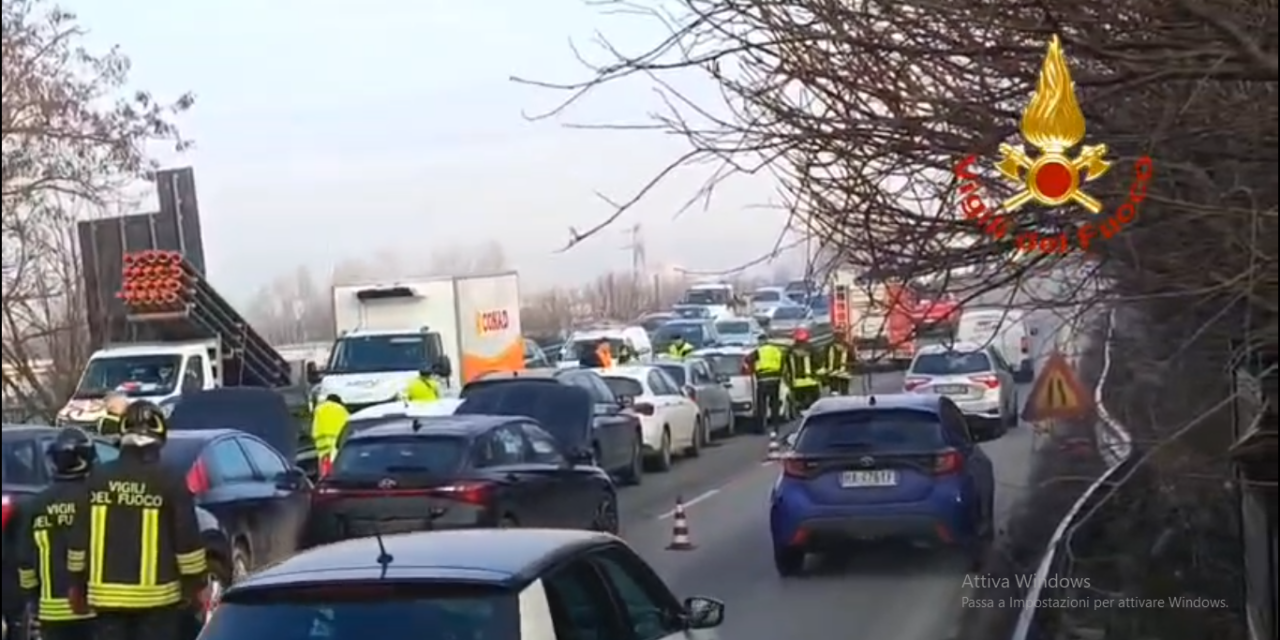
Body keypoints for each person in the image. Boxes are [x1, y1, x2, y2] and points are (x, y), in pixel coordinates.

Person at [66, 401, 207, 640]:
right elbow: (187, 541)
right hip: (158, 603)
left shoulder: (97, 478)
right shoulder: (169, 479)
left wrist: (76, 585)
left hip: (106, 603)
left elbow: (79, 539)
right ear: (159, 437)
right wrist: (196, 585)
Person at [16, 428, 98, 640]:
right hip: (92, 608)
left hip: (50, 611)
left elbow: (24, 560)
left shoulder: (35, 505)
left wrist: (32, 600)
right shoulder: (95, 500)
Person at [746, 333, 785, 426]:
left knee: (762, 403)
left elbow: (748, 359)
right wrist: (779, 374)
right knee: (774, 402)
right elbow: (783, 361)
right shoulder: (776, 350)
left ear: (760, 341)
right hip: (775, 379)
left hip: (763, 379)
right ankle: (775, 424)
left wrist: (753, 369)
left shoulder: (759, 351)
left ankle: (762, 424)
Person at [783, 328, 822, 414]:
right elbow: (818, 363)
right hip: (811, 381)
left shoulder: (789, 351)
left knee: (800, 404)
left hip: (796, 383)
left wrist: (788, 381)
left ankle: (802, 413)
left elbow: (786, 367)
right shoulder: (811, 349)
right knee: (814, 405)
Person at [311, 394, 349, 477]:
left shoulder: (319, 409)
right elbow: (348, 426)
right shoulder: (342, 410)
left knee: (325, 475)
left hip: (322, 445)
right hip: (338, 446)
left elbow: (315, 427)